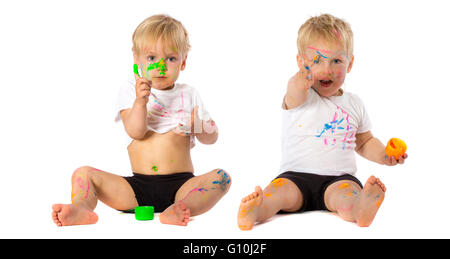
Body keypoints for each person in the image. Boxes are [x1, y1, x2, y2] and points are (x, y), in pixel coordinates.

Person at [52, 14, 231, 227]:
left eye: (171, 59)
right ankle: (81, 208)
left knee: (222, 177)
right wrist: (140, 102)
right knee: (83, 173)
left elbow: (212, 137)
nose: (161, 66)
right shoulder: (132, 91)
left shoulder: (189, 94)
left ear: (183, 63)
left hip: (182, 186)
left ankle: (179, 209)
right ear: (137, 61)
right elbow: (136, 132)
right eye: (152, 58)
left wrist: (199, 126)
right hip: (136, 188)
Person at [237, 14, 407, 230]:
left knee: (347, 197)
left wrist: (385, 156)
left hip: (339, 180)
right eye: (317, 60)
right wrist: (300, 80)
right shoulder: (301, 95)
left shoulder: (354, 104)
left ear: (350, 63)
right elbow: (294, 90)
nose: (327, 69)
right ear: (301, 63)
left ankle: (360, 209)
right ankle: (255, 210)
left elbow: (364, 142)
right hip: (295, 178)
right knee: (276, 194)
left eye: (336, 61)